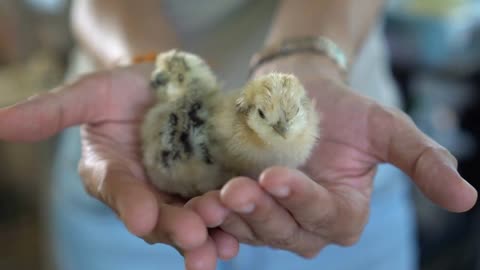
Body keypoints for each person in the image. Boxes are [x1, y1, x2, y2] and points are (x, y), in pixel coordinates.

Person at [0, 1, 477, 270]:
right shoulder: (186, 117)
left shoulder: (295, 125)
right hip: (121, 162)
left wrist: (309, 56)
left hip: (343, 159)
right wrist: (147, 65)